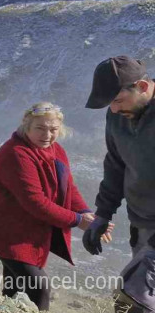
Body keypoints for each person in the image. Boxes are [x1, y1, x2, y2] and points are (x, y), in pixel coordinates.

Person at [0, 102, 112, 311]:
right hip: (3, 230)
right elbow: (35, 202)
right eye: (40, 128)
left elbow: (68, 187)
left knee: (14, 287)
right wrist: (78, 221)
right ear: (26, 126)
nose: (47, 135)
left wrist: (85, 213)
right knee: (39, 288)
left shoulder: (56, 150)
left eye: (53, 129)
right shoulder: (16, 154)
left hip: (26, 231)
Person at [84, 56, 155, 312]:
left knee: (133, 301)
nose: (113, 109)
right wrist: (103, 213)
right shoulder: (117, 116)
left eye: (117, 100)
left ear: (143, 87)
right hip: (143, 225)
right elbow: (116, 164)